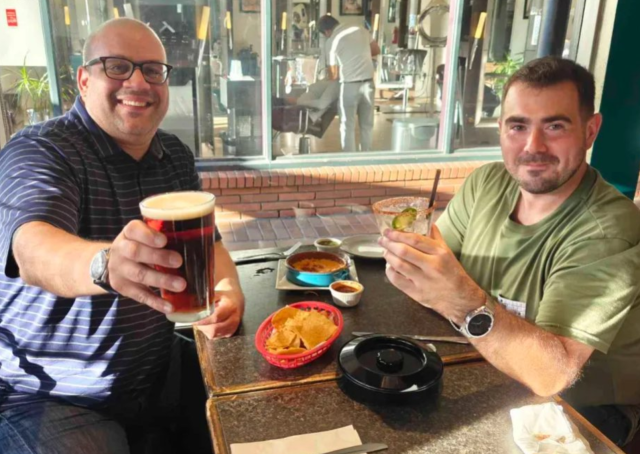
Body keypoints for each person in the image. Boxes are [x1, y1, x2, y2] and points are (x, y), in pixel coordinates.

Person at [0, 18, 244, 454]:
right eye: (117, 66)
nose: (138, 81)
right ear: (84, 79)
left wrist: (226, 291)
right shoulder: (41, 149)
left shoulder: (174, 155)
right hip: (51, 395)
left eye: (153, 70)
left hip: (154, 377)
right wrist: (105, 264)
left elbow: (212, 246)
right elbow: (32, 247)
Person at [379, 57, 640, 447]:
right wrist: (419, 270)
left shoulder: (606, 229)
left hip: (584, 413)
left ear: (590, 131)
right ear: (501, 129)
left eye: (555, 126)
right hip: (491, 368)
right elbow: (434, 274)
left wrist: (463, 302)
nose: (533, 147)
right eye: (518, 126)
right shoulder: (487, 183)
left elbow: (551, 374)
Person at [318, 15, 380, 152]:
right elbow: (376, 50)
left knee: (347, 124)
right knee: (367, 124)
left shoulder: (332, 41)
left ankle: (349, 158)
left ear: (327, 32)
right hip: (368, 83)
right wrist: (359, 55)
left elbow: (333, 75)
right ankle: (367, 155)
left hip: (349, 86)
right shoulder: (360, 29)